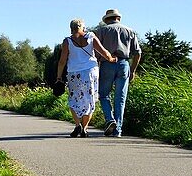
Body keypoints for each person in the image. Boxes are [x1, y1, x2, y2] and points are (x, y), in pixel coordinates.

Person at [56, 18, 116, 137]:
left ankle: (78, 125)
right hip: (90, 72)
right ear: (82, 27)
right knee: (89, 99)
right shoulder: (90, 36)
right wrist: (111, 59)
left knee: (74, 99)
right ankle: (85, 128)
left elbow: (62, 61)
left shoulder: (67, 41)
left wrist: (59, 77)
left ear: (71, 28)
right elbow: (104, 52)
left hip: (74, 73)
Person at [93, 8, 142, 137]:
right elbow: (138, 53)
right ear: (118, 18)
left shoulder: (101, 31)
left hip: (107, 64)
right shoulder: (129, 31)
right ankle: (118, 130)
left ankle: (110, 119)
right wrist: (133, 70)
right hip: (124, 64)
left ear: (107, 19)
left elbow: (96, 52)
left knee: (103, 95)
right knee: (120, 98)